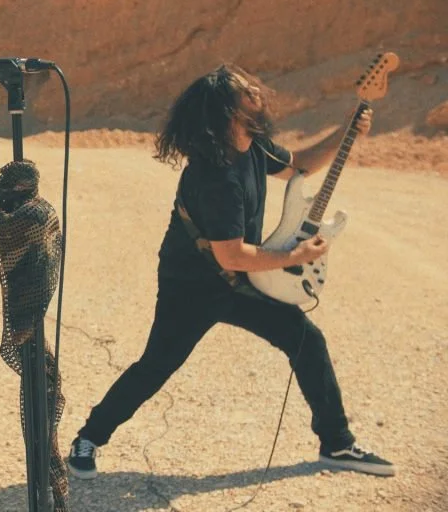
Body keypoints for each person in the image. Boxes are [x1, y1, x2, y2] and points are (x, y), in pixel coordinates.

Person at [67, 63, 394, 480]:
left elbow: (300, 165)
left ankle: (338, 443)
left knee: (307, 342)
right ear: (229, 111)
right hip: (192, 286)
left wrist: (346, 128)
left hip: (242, 279)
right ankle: (89, 437)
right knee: (157, 365)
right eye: (244, 90)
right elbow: (233, 256)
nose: (256, 89)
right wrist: (296, 256)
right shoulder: (215, 175)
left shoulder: (254, 146)